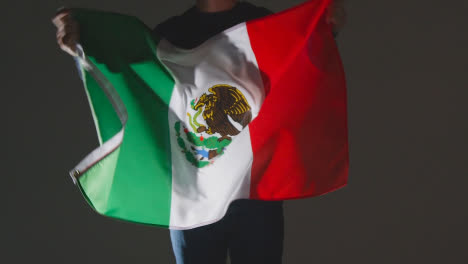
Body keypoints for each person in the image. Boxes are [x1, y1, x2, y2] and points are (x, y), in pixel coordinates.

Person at [52, 1, 345, 263]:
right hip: (192, 197)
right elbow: (127, 82)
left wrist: (327, 25)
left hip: (254, 195)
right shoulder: (169, 36)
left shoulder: (262, 24)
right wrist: (82, 49)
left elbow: (301, 60)